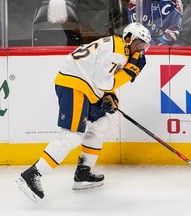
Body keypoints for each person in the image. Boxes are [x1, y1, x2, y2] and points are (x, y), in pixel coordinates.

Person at [15, 22, 151, 203]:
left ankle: (83, 173)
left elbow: (101, 76)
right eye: (139, 44)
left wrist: (109, 95)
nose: (141, 50)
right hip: (75, 85)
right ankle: (32, 174)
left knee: (100, 124)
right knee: (71, 136)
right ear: (128, 39)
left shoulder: (117, 46)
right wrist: (129, 72)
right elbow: (103, 82)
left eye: (145, 46)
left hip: (84, 85)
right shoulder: (119, 52)